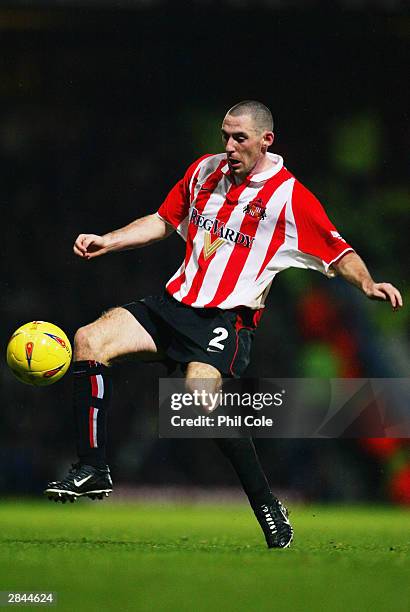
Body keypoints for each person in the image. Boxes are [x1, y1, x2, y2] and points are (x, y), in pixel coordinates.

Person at [44, 100, 403, 549]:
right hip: (173, 305)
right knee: (89, 339)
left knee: (196, 407)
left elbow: (337, 251)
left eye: (240, 139)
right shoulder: (204, 171)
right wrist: (109, 240)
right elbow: (162, 220)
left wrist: (368, 284)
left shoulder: (289, 197)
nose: (229, 147)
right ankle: (92, 468)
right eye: (225, 136)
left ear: (266, 141)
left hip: (223, 319)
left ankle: (267, 505)